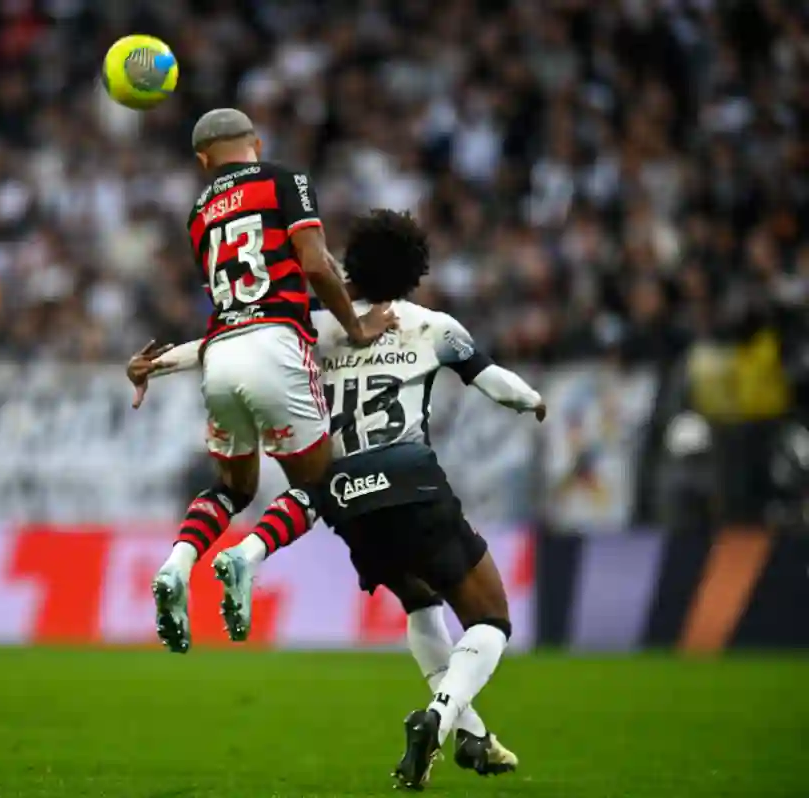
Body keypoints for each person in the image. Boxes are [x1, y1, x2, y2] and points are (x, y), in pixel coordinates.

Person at [130, 209, 545, 787]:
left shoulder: (316, 328)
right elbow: (495, 382)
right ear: (411, 275)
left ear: (351, 270)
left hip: (347, 497)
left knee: (421, 604)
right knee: (491, 619)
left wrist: (156, 362)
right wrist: (533, 401)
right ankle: (442, 715)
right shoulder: (433, 326)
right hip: (412, 483)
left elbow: (213, 346)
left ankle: (472, 735)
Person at [149, 108, 395, 654]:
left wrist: (161, 362)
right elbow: (312, 263)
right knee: (318, 484)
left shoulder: (197, 212)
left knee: (233, 488)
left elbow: (237, 290)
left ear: (202, 161)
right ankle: (248, 556)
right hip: (277, 346)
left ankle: (177, 563)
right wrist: (355, 326)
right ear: (255, 143)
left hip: (221, 355)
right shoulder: (285, 180)